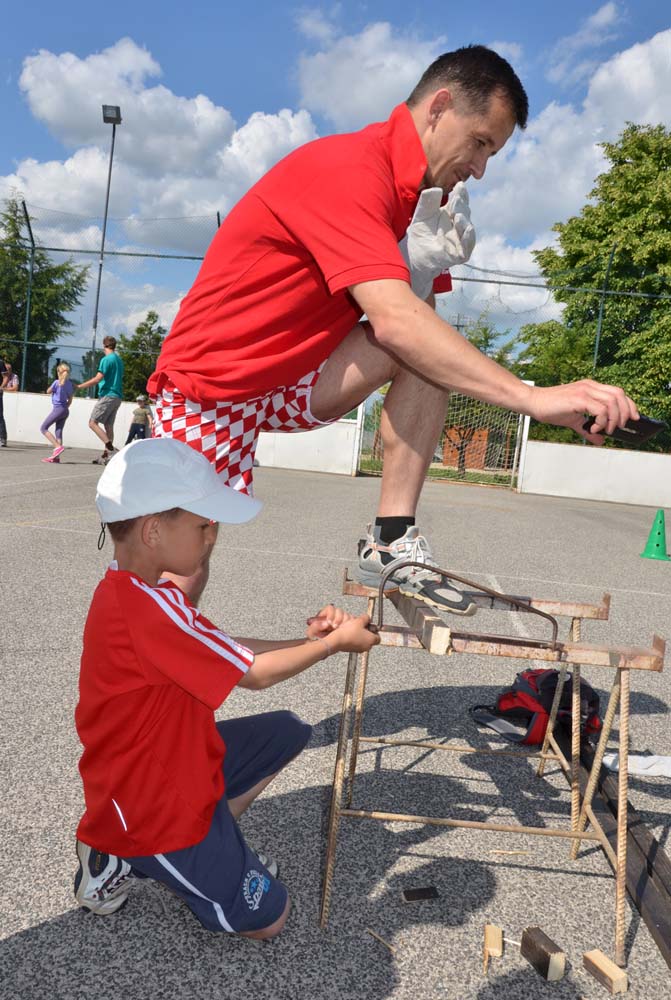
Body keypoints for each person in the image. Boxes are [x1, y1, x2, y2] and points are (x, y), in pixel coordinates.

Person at [147, 44, 638, 614]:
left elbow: (419, 327)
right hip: (211, 385)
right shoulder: (349, 168)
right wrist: (534, 398)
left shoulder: (419, 202)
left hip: (292, 380)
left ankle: (391, 538)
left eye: (492, 153)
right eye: (480, 142)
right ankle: (139, 668)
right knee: (182, 565)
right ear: (439, 107)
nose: (481, 168)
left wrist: (420, 271)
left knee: (427, 351)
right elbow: (396, 322)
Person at [74, 436, 378, 936]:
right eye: (203, 525)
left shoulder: (141, 592)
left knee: (285, 731)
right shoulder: (146, 609)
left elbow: (225, 648)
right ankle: (126, 852)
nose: (211, 536)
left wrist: (308, 640)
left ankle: (212, 847)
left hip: (169, 763)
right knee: (271, 919)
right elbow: (254, 675)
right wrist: (332, 646)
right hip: (151, 807)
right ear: (153, 530)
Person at [76, 335, 125, 465]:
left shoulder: (106, 359)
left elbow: (98, 379)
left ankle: (111, 449)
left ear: (104, 346)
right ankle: (107, 456)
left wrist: (79, 386)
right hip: (117, 396)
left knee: (92, 423)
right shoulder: (119, 360)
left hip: (108, 395)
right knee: (108, 426)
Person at [40, 362, 74, 463]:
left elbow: (48, 391)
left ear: (59, 372)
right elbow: (70, 399)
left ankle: (57, 447)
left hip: (58, 409)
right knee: (58, 431)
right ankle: (56, 458)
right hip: (65, 410)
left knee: (43, 428)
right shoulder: (69, 384)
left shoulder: (56, 382)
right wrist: (64, 408)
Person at [0, 359, 18, 446]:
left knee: (0, 416)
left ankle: (3, 438)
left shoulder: (0, 363)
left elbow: (6, 377)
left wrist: (1, 387)